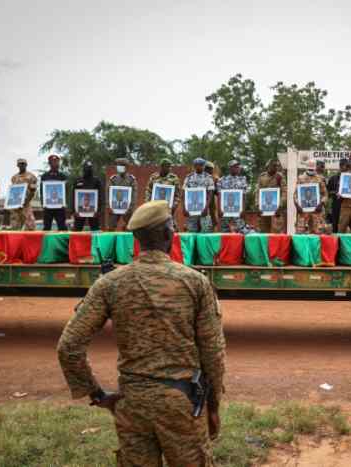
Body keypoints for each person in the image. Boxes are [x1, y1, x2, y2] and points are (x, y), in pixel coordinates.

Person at [57, 200, 225, 466]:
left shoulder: (110, 283)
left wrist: (97, 395)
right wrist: (213, 406)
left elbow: (68, 347)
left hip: (131, 403)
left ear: (136, 238)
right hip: (181, 404)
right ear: (170, 233)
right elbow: (213, 352)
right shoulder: (195, 282)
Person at [294, 160, 328, 234]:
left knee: (318, 233)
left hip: (316, 211)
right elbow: (296, 194)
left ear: (315, 168)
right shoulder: (300, 178)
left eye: (312, 169)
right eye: (310, 169)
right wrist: (297, 205)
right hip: (303, 212)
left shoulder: (320, 179)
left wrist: (321, 204)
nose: (311, 171)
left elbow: (325, 194)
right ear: (306, 168)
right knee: (300, 234)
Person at [183, 158, 215, 233]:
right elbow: (184, 193)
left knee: (206, 230)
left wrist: (206, 208)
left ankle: (204, 245)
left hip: (204, 209)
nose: (198, 167)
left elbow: (210, 194)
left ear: (204, 166)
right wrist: (184, 208)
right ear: (194, 166)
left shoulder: (208, 177)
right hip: (191, 210)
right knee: (191, 232)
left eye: (201, 165)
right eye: (196, 165)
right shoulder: (189, 177)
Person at [216, 159, 248, 233]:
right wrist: (219, 209)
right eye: (235, 167)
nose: (238, 168)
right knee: (224, 231)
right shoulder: (222, 180)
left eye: (238, 167)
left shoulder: (242, 180)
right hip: (225, 210)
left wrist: (243, 209)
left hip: (238, 210)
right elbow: (219, 195)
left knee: (241, 230)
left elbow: (243, 196)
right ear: (230, 168)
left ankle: (240, 245)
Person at [256, 159, 287, 233]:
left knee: (276, 232)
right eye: (273, 166)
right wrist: (258, 205)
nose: (275, 167)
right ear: (267, 167)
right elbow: (257, 191)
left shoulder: (280, 176)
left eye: (276, 166)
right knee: (263, 231)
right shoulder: (262, 176)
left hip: (276, 209)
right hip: (264, 209)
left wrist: (280, 205)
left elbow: (284, 192)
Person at [108, 157, 137, 231]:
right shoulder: (113, 179)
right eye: (118, 165)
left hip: (127, 208)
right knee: (111, 227)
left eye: (121, 165)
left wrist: (130, 208)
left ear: (126, 167)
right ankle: (111, 242)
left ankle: (128, 242)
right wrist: (109, 206)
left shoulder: (131, 180)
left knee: (130, 227)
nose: (119, 167)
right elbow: (108, 194)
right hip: (114, 208)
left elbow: (134, 195)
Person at [73, 160, 103, 231]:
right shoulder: (78, 180)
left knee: (95, 230)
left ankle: (96, 242)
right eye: (86, 168)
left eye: (90, 168)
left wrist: (98, 211)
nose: (88, 170)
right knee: (77, 230)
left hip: (93, 212)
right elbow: (73, 196)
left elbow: (100, 196)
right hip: (79, 211)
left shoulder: (97, 181)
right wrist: (74, 211)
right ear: (83, 169)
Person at [41, 154, 68, 231]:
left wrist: (64, 203)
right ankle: (45, 243)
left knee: (62, 227)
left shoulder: (63, 176)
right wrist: (43, 203)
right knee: (46, 227)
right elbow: (42, 191)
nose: (55, 163)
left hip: (60, 207)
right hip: (48, 206)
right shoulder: (44, 176)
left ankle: (64, 243)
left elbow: (66, 190)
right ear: (49, 163)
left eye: (57, 162)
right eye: (53, 162)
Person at [9, 158, 38, 230]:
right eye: (20, 164)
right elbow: (13, 191)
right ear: (17, 165)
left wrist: (26, 201)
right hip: (15, 204)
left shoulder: (32, 177)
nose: (22, 165)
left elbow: (33, 191)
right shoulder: (14, 177)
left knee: (30, 225)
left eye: (23, 164)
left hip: (26, 204)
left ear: (26, 165)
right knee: (15, 226)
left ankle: (32, 240)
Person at [204, 162, 219, 232]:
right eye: (207, 169)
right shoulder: (200, 177)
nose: (209, 171)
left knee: (212, 221)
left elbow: (217, 192)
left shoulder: (215, 179)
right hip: (201, 204)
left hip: (211, 204)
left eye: (210, 169)